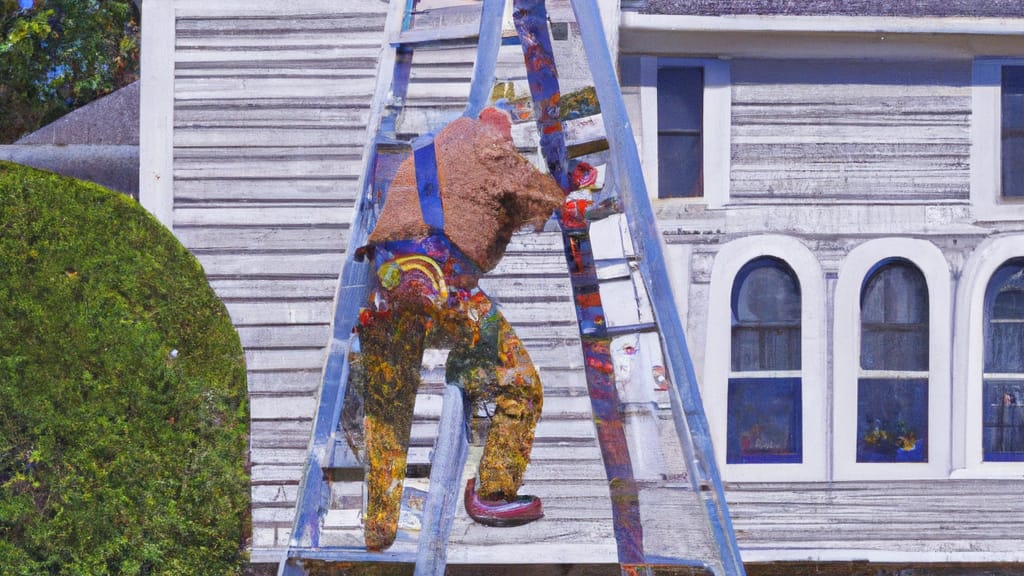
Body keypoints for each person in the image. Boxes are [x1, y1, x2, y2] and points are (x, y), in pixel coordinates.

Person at [353, 107, 565, 551]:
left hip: (386, 286)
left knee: (388, 407)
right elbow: (541, 194)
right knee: (521, 383)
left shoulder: (425, 154)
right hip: (442, 288)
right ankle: (492, 493)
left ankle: (379, 525)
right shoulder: (487, 146)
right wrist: (575, 190)